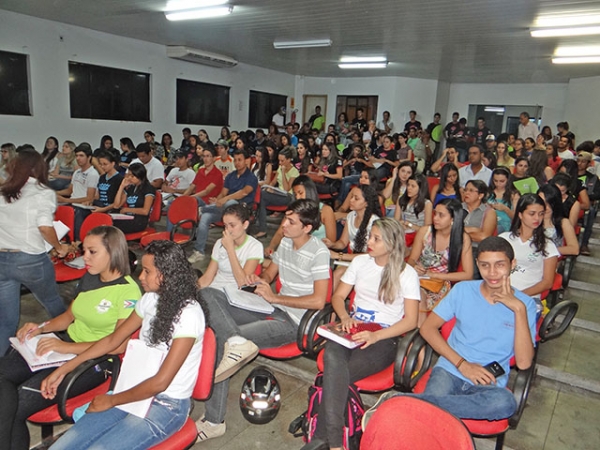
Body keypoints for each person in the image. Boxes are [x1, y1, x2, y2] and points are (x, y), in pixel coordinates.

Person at [41, 240, 206, 450]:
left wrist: (111, 401)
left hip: (166, 405)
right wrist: (65, 368)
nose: (141, 277)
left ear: (165, 275)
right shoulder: (150, 299)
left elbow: (160, 383)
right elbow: (113, 340)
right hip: (132, 388)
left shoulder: (189, 314)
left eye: (147, 271)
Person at [196, 199, 330, 442]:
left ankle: (214, 421)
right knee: (209, 294)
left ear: (307, 228)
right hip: (270, 307)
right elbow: (270, 273)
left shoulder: (319, 252)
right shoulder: (287, 243)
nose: (284, 224)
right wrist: (260, 280)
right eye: (285, 218)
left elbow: (319, 301)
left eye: (291, 221)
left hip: (294, 322)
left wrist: (275, 296)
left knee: (219, 338)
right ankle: (235, 340)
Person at [0, 225, 140, 449]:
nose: (84, 257)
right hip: (64, 346)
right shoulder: (90, 277)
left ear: (113, 252)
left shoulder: (128, 292)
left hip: (96, 361)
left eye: (92, 252)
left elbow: (116, 346)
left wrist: (64, 348)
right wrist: (40, 328)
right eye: (84, 250)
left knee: (17, 405)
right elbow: (67, 317)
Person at [307, 218, 420, 450]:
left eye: (376, 239)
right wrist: (345, 317)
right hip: (352, 328)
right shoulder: (360, 262)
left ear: (392, 243)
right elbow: (338, 297)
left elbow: (411, 320)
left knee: (336, 375)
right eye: (370, 236)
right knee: (332, 357)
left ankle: (325, 439)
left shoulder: (406, 273)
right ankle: (336, 443)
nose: (369, 242)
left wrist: (376, 336)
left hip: (384, 337)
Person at [399, 236, 536, 421]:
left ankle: (412, 403)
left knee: (505, 403)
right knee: (432, 421)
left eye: (500, 265)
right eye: (485, 265)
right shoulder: (463, 290)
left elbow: (524, 363)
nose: (492, 272)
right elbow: (428, 328)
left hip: (489, 381)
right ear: (478, 265)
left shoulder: (525, 305)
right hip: (450, 369)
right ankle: (425, 408)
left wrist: (518, 309)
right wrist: (463, 365)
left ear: (512, 264)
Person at [0, 148, 69, 356]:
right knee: (52, 302)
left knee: (6, 320)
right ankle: (70, 341)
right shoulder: (42, 192)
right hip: (29, 259)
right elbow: (45, 227)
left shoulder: (3, 191)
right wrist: (59, 247)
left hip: (2, 259)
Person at [407, 198, 473, 325]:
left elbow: (468, 274)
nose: (435, 218)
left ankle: (421, 334)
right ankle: (418, 333)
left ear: (453, 219)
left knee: (420, 294)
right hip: (418, 276)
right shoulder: (425, 232)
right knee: (416, 290)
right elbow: (411, 260)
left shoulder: (462, 239)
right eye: (435, 213)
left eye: (441, 215)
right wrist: (414, 266)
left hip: (439, 282)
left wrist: (435, 275)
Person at [188, 150, 258, 263]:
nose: (237, 163)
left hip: (242, 209)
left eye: (240, 160)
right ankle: (199, 251)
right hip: (224, 209)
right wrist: (219, 199)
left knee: (230, 203)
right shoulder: (231, 176)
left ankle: (202, 208)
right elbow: (223, 192)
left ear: (246, 161)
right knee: (205, 217)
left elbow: (244, 192)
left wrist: (225, 199)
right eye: (235, 160)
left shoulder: (251, 177)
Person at [500, 194, 559, 306]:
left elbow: (547, 282)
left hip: (528, 298)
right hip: (501, 292)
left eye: (541, 214)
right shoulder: (504, 239)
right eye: (532, 214)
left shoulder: (548, 246)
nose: (537, 218)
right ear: (520, 215)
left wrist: (519, 295)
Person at [264, 176, 336, 261]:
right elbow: (280, 232)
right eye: (295, 194)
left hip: (317, 254)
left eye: (300, 193)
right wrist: (271, 246)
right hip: (296, 250)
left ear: (310, 192)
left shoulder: (325, 210)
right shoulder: (295, 210)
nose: (298, 197)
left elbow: (330, 241)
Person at [197, 204, 263, 289]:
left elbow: (243, 283)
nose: (228, 230)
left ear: (245, 225)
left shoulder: (255, 246)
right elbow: (207, 277)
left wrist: (230, 249)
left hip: (235, 294)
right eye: (225, 225)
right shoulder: (219, 243)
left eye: (232, 225)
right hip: (215, 289)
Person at [255, 146, 299, 239]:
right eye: (279, 160)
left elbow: (287, 188)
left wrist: (283, 173)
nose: (280, 163)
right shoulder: (280, 167)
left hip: (288, 197)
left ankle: (261, 226)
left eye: (282, 161)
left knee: (262, 196)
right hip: (278, 193)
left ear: (288, 160)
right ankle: (262, 229)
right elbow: (273, 182)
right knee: (263, 195)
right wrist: (269, 187)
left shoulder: (294, 172)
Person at [111, 163, 156, 234]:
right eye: (128, 175)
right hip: (128, 218)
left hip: (139, 221)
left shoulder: (148, 188)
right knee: (108, 221)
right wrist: (121, 187)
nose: (129, 178)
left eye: (132, 176)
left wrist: (127, 209)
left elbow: (145, 211)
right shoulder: (131, 188)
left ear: (139, 176)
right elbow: (116, 205)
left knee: (112, 227)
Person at [538, 184, 579, 257]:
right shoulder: (531, 219)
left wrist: (546, 250)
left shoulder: (563, 222)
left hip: (550, 260)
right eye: (542, 203)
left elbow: (574, 249)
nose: (546, 207)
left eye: (550, 203)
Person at [56, 143, 99, 207]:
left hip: (82, 206)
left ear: (89, 157)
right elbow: (70, 190)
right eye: (76, 156)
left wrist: (66, 200)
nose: (78, 158)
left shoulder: (92, 174)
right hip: (72, 203)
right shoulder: (77, 172)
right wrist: (55, 193)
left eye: (81, 156)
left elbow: (90, 197)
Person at [576, 151, 600, 256]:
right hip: (569, 201)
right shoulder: (570, 175)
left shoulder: (593, 178)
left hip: (584, 204)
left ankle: (584, 244)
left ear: (588, 164)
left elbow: (597, 194)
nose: (579, 163)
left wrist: (585, 196)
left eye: (583, 161)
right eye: (578, 161)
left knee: (591, 211)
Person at [488, 167, 517, 234]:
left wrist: (505, 208)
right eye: (495, 181)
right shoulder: (488, 193)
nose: (498, 184)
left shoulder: (514, 195)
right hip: (488, 222)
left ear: (508, 180)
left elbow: (516, 218)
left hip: (504, 224)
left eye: (502, 181)